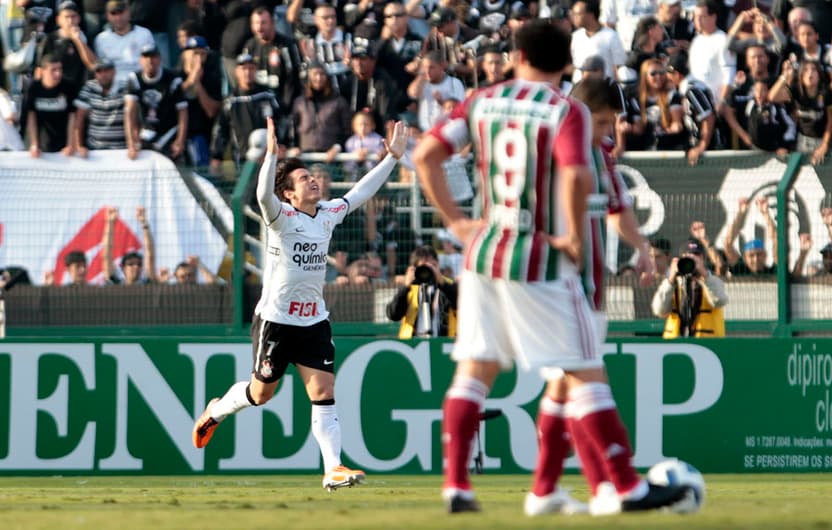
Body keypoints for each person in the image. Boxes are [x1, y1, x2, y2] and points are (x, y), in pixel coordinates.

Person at [412, 18, 691, 515]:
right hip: (538, 258)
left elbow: (427, 153)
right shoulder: (566, 110)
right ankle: (624, 486)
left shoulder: (480, 100)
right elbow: (577, 175)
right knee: (585, 368)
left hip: (483, 252)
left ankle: (457, 485)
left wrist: (456, 222)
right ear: (567, 63)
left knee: (475, 369)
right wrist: (566, 235)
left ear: (517, 53)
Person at [192, 116, 409, 490]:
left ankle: (333, 468)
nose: (313, 180)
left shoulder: (327, 215)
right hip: (276, 321)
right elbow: (261, 196)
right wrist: (272, 158)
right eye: (304, 178)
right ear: (290, 194)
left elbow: (359, 193)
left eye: (314, 176)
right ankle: (216, 410)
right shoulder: (281, 217)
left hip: (313, 321)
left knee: (323, 393)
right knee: (261, 394)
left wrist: (391, 159)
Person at [651, 238, 728, 338]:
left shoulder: (712, 281)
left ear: (703, 259)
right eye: (688, 257)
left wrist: (704, 275)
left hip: (708, 344)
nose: (693, 260)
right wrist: (670, 280)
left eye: (697, 256)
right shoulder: (673, 284)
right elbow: (659, 310)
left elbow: (720, 301)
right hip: (676, 343)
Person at [124, 44, 188, 161]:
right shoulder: (134, 79)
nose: (150, 61)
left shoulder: (173, 79)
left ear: (159, 59)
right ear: (140, 60)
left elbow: (183, 112)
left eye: (153, 57)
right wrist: (131, 143)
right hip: (147, 130)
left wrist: (180, 140)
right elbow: (129, 112)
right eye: (146, 57)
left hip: (169, 131)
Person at [385, 245, 458, 338]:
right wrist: (405, 287)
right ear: (414, 269)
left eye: (433, 266)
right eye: (424, 267)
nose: (429, 271)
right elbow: (393, 315)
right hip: (413, 345)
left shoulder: (449, 285)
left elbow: (460, 305)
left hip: (443, 345)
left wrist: (442, 284)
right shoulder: (410, 289)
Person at [24, 54, 77, 157]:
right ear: (42, 71)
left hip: (63, 146)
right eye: (53, 70)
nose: (58, 73)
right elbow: (31, 116)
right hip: (41, 146)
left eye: (60, 69)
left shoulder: (68, 87)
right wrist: (34, 143)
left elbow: (73, 117)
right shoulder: (33, 88)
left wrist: (71, 144)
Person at [93, 0, 155, 85]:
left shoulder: (144, 33)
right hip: (113, 84)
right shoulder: (101, 39)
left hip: (140, 82)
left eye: (121, 12)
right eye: (113, 13)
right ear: (107, 16)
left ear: (129, 13)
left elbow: (152, 63)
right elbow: (100, 68)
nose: (118, 17)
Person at [73, 59, 128, 153]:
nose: (103, 74)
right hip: (94, 150)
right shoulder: (89, 87)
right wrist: (79, 146)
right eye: (99, 71)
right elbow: (79, 118)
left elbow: (133, 117)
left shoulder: (125, 87)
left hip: (121, 151)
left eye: (106, 70)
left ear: (114, 71)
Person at [723, 196, 778, 276]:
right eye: (751, 255)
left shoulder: (772, 272)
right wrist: (741, 214)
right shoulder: (741, 271)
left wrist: (766, 214)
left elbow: (777, 240)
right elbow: (727, 244)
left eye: (759, 254)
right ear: (745, 258)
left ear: (765, 255)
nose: (755, 259)